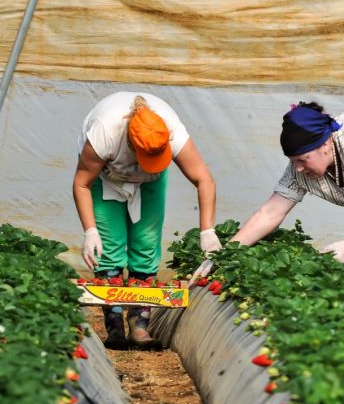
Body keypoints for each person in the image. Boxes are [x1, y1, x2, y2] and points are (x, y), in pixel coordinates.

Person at [73, 92, 218, 349]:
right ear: (131, 145)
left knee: (146, 242)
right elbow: (82, 182)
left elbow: (203, 178)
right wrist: (90, 231)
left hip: (150, 181)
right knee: (109, 246)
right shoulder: (106, 131)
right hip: (105, 178)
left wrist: (207, 231)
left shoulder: (171, 131)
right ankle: (115, 328)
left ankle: (139, 327)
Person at [192, 100, 344, 277]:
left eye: (303, 160)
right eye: (293, 161)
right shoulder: (298, 172)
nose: (298, 168)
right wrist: (224, 255)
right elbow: (270, 213)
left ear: (325, 144)